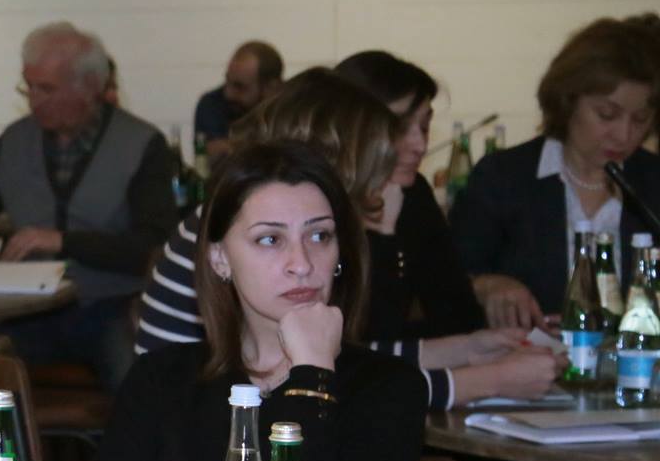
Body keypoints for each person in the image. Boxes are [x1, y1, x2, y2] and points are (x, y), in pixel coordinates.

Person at [86, 142, 427, 461]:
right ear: (220, 258)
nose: (301, 263)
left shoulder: (389, 387)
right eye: (270, 239)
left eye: (319, 236)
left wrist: (312, 375)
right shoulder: (161, 378)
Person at [135, 70, 557, 408]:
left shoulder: (261, 221)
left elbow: (342, 356)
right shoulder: (233, 230)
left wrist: (463, 349)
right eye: (378, 157)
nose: (387, 170)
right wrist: (486, 380)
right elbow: (309, 391)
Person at [0, 21, 178, 394]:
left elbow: (153, 247)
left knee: (136, 386)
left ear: (89, 88)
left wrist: (64, 241)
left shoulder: (141, 144)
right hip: (32, 311)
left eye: (45, 89)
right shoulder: (14, 140)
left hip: (111, 308)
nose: (33, 99)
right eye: (28, 86)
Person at [451, 16, 660, 329]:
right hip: (528, 356)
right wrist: (488, 285)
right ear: (567, 100)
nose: (624, 135)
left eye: (640, 119)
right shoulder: (503, 177)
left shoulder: (654, 180)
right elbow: (450, 276)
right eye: (607, 114)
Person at [195, 40, 284, 162]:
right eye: (227, 81)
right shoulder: (211, 104)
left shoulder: (292, 109)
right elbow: (211, 156)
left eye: (239, 86)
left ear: (271, 88)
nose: (228, 94)